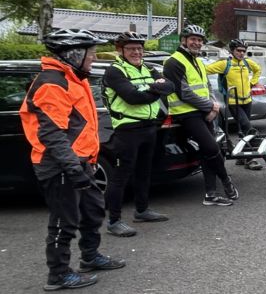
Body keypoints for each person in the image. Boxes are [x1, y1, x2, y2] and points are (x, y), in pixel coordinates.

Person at [21, 29, 125, 290]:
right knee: (63, 222)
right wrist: (72, 168)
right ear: (73, 54)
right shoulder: (52, 83)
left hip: (81, 161)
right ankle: (58, 274)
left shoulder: (75, 78)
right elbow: (52, 134)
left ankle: (90, 257)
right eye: (90, 53)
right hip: (59, 165)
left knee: (92, 212)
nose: (93, 58)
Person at [101, 31, 175, 237]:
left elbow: (170, 86)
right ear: (121, 50)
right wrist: (155, 89)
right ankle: (114, 221)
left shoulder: (148, 67)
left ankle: (142, 210)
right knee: (120, 176)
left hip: (149, 127)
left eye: (139, 48)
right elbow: (132, 97)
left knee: (144, 172)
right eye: (131, 49)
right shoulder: (115, 71)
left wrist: (151, 89)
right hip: (127, 129)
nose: (136, 52)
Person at [163, 25, 238, 206]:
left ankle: (210, 194)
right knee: (212, 148)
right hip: (186, 113)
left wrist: (213, 107)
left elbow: (207, 87)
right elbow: (184, 93)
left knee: (207, 151)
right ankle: (226, 182)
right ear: (184, 40)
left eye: (199, 40)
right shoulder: (174, 61)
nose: (196, 43)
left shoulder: (197, 61)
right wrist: (211, 106)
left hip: (203, 111)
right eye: (192, 39)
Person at [206, 39, 264, 170]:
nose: (242, 53)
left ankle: (242, 156)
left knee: (243, 129)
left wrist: (252, 82)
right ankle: (250, 159)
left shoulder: (247, 63)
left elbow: (258, 69)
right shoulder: (225, 64)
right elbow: (204, 70)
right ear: (232, 50)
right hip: (233, 102)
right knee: (247, 127)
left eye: (244, 51)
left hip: (247, 101)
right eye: (239, 50)